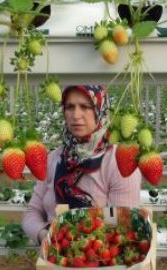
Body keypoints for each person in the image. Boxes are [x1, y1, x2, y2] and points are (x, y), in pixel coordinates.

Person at [22, 85, 141, 244]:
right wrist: (44, 235)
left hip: (100, 259)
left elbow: (121, 222)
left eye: (85, 107)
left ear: (100, 110)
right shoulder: (54, 158)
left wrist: (82, 244)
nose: (76, 115)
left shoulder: (117, 161)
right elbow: (33, 212)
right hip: (55, 256)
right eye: (70, 107)